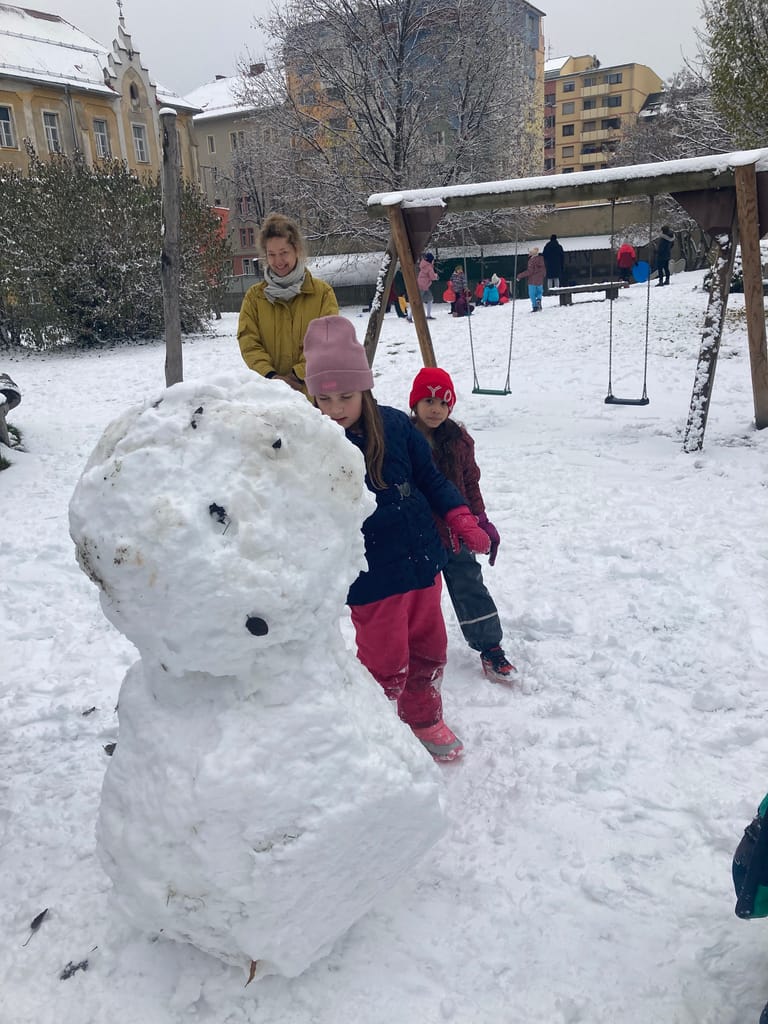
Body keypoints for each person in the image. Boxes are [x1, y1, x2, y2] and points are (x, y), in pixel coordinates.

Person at [303, 316, 491, 763]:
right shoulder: (312, 443)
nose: (335, 408)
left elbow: (430, 478)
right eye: (323, 398)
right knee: (385, 659)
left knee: (430, 646)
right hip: (373, 577)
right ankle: (382, 729)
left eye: (345, 396)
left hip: (424, 561)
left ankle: (423, 717)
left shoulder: (396, 426)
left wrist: (460, 514)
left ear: (364, 388)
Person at [409, 367, 516, 684]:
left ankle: (490, 646)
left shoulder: (459, 441)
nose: (435, 408)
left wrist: (481, 520)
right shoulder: (402, 437)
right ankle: (412, 647)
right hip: (416, 534)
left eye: (443, 403)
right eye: (428, 400)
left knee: (470, 586)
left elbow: (470, 484)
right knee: (416, 595)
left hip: (456, 533)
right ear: (414, 403)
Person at [237, 213, 338, 393]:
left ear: (296, 250)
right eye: (271, 254)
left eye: (284, 253)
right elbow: (248, 342)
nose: (278, 261)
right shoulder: (254, 298)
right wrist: (271, 376)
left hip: (314, 395)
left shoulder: (322, 293)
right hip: (270, 395)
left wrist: (297, 375)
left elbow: (327, 342)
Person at [516, 246, 546, 312]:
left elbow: (530, 271)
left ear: (532, 254)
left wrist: (519, 276)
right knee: (539, 292)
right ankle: (539, 299)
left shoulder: (531, 261)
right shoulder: (541, 259)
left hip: (532, 280)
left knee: (532, 294)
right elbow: (544, 270)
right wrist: (542, 276)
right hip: (540, 280)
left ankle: (535, 306)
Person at [416, 252, 438, 320]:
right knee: (417, 301)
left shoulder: (423, 265)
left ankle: (428, 315)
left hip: (423, 285)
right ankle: (409, 316)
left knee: (430, 299)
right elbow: (432, 277)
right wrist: (436, 276)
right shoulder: (429, 267)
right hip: (423, 286)